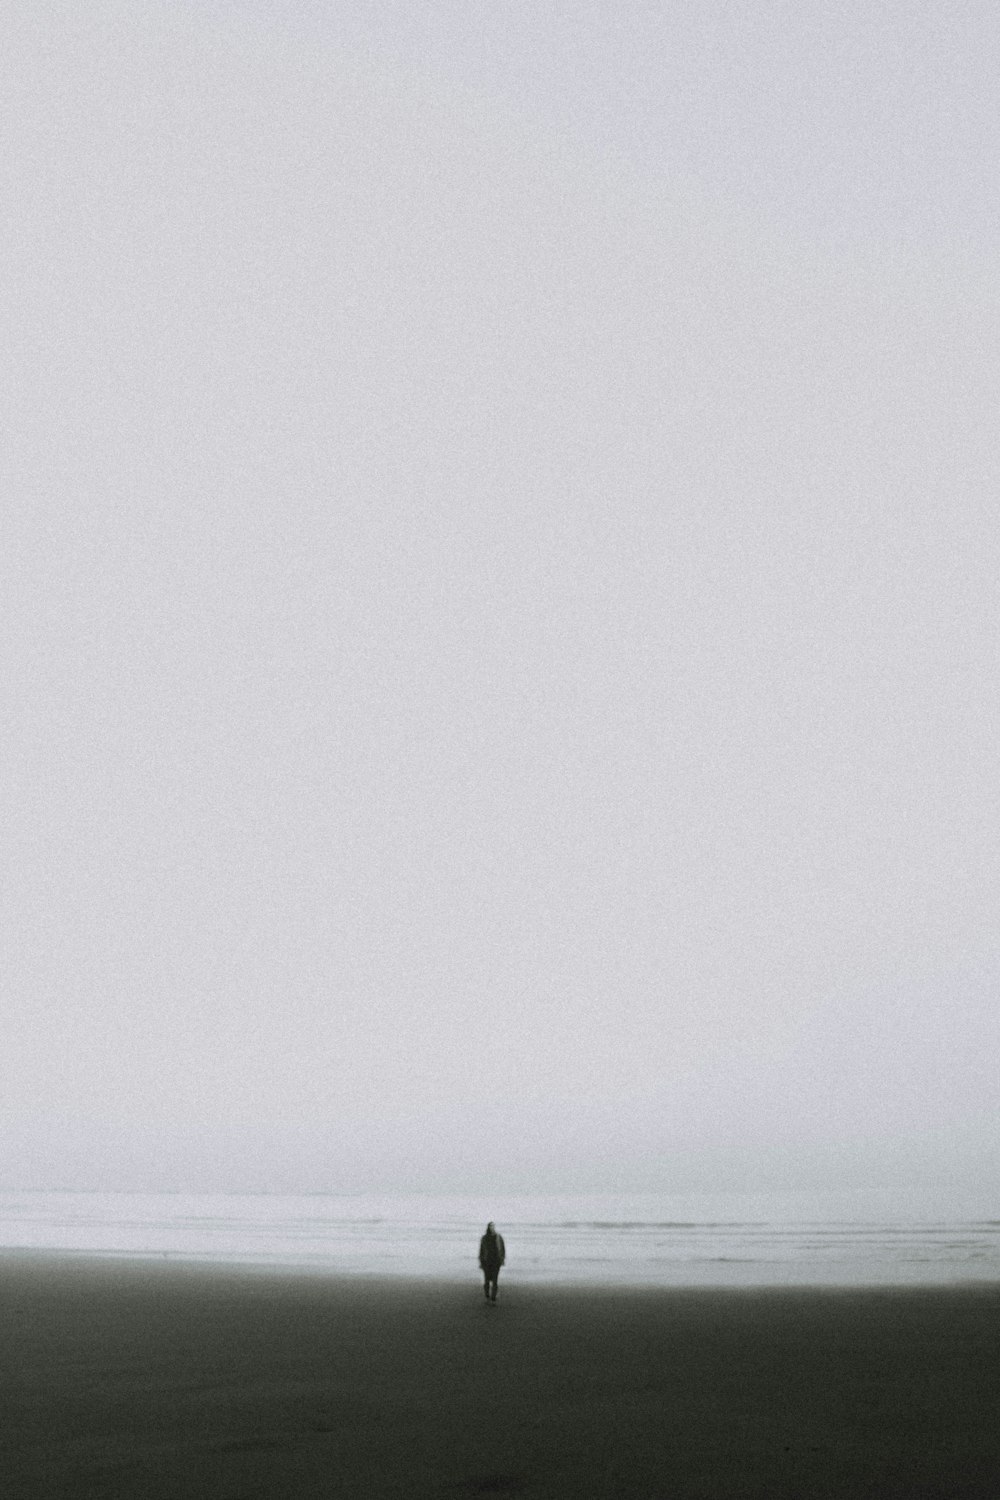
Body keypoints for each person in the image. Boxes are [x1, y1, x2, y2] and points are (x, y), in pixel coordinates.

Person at [478, 1221, 505, 1303]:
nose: (492, 1228)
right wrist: (481, 1261)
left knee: (495, 1280)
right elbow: (481, 1250)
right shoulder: (484, 1238)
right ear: (488, 1227)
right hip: (486, 1261)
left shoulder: (498, 1237)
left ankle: (493, 1298)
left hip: (496, 1261)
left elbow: (502, 1249)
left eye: (493, 1226)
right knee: (486, 1281)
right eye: (491, 1226)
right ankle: (487, 1296)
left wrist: (502, 1259)